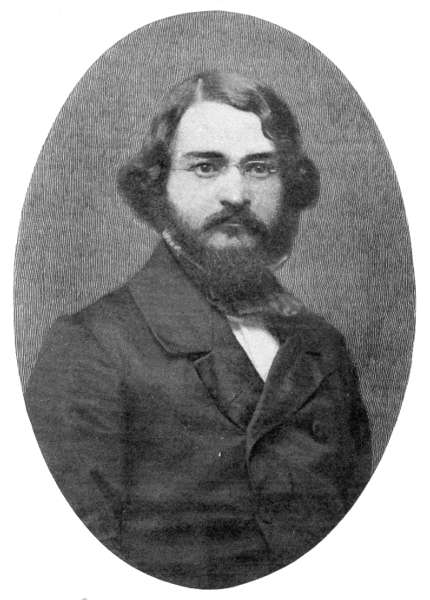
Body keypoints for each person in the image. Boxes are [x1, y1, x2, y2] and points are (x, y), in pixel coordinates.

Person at [25, 71, 371, 589]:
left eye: (260, 168)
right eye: (206, 167)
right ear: (158, 185)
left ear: (290, 185)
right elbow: (69, 572)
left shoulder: (323, 346)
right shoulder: (91, 346)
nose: (236, 194)